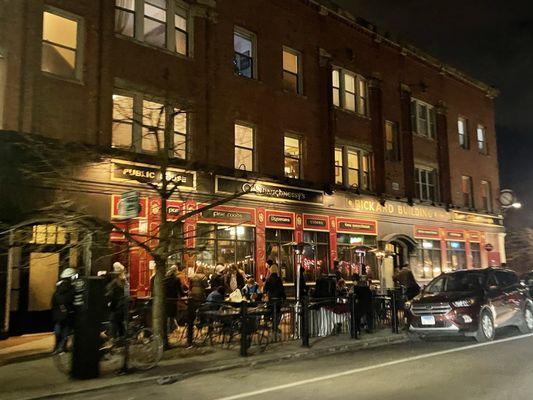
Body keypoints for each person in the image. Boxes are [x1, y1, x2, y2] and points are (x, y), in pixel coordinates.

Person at [51, 267, 76, 353]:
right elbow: (72, 300)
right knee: (66, 330)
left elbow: (54, 301)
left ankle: (56, 347)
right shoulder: (71, 288)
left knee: (58, 329)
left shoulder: (58, 288)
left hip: (58, 313)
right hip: (68, 313)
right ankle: (62, 347)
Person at [106, 262, 128, 340]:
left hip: (116, 306)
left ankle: (112, 339)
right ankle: (123, 337)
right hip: (123, 305)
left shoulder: (115, 283)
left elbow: (110, 294)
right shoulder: (124, 281)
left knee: (113, 321)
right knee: (119, 322)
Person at [263, 264, 286, 328]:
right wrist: (284, 297)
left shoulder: (268, 279)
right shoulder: (279, 279)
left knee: (271, 312)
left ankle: (270, 323)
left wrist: (266, 295)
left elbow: (265, 289)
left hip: (271, 298)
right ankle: (275, 325)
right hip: (278, 298)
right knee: (278, 312)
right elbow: (282, 289)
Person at [164, 265, 183, 334]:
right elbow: (180, 289)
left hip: (166, 298)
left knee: (168, 314)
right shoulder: (176, 279)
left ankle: (171, 328)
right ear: (176, 271)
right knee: (172, 314)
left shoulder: (165, 277)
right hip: (173, 298)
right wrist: (183, 295)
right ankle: (170, 329)